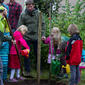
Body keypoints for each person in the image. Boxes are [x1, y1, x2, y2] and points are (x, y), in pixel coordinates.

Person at [18, 0, 46, 76]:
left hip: (37, 36)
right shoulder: (23, 15)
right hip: (26, 37)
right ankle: (27, 70)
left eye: (31, 5)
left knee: (38, 54)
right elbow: (20, 26)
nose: (30, 7)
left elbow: (43, 24)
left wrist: (43, 35)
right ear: (26, 6)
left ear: (33, 5)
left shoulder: (38, 14)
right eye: (28, 5)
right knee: (26, 54)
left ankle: (39, 70)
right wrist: (20, 36)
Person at [0, 6, 11, 81]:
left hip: (4, 46)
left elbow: (7, 33)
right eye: (6, 11)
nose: (7, 12)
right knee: (1, 65)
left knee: (4, 64)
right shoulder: (1, 20)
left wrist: (9, 38)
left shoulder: (5, 20)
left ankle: (4, 78)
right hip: (2, 44)